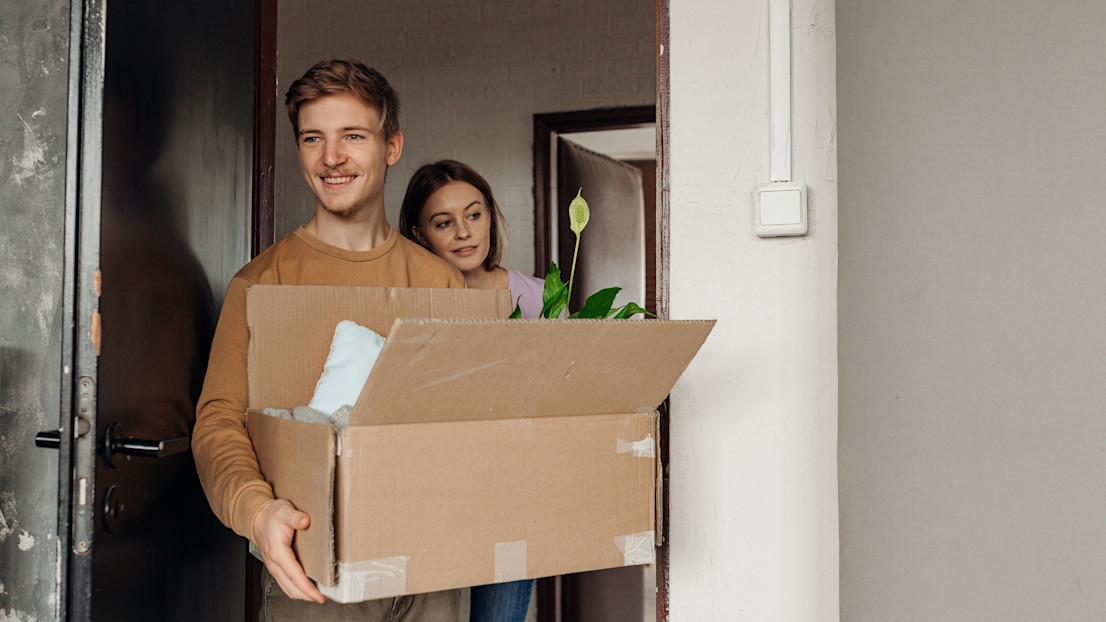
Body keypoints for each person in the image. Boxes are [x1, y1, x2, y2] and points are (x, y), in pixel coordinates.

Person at [192, 58, 466, 621]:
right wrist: (256, 510)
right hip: (317, 576)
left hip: (435, 566)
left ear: (391, 147)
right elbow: (218, 420)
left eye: (353, 136)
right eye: (313, 138)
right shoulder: (262, 282)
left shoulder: (441, 281)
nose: (331, 158)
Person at [399, 160, 538, 622]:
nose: (463, 232)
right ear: (420, 235)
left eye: (474, 215)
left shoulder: (538, 297)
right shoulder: (407, 303)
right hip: (428, 491)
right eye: (444, 223)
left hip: (513, 495)